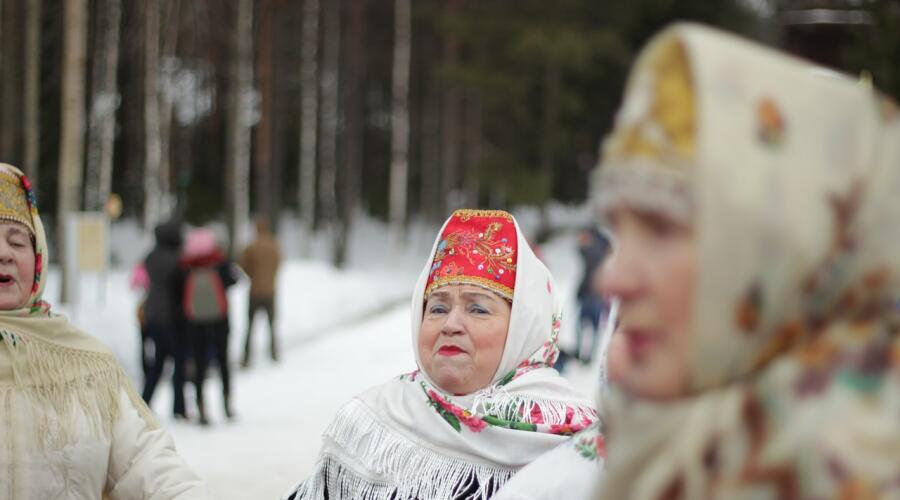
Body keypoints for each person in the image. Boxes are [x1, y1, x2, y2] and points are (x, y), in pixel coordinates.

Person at [592, 23, 900, 498]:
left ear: (788, 251)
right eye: (619, 230)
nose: (611, 278)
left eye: (660, 228)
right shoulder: (686, 451)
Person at [285, 209, 599, 500]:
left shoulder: (581, 447)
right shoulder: (372, 427)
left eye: (478, 308)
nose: (451, 324)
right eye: (437, 307)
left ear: (525, 327)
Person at [0, 163, 207, 498]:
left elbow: (147, 466)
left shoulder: (86, 367)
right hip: (170, 323)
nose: (3, 254)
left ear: (38, 258)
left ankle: (174, 403)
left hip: (154, 322)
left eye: (17, 242)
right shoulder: (179, 261)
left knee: (158, 368)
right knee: (168, 366)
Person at [181, 227, 240, 425]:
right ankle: (226, 404)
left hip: (195, 322)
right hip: (219, 321)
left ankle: (201, 406)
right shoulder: (220, 263)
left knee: (199, 364)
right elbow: (235, 279)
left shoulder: (186, 266)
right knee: (223, 362)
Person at [141, 217, 189, 419]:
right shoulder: (177, 260)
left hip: (152, 313)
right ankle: (179, 407)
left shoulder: (152, 257)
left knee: (158, 361)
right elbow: (180, 289)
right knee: (178, 361)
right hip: (171, 316)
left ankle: (144, 402)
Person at [238, 217, 281, 367]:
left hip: (255, 292)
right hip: (270, 291)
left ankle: (246, 357)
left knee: (249, 326)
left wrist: (251, 274)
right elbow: (278, 263)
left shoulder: (252, 246)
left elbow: (241, 262)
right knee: (272, 325)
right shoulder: (274, 245)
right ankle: (274, 353)